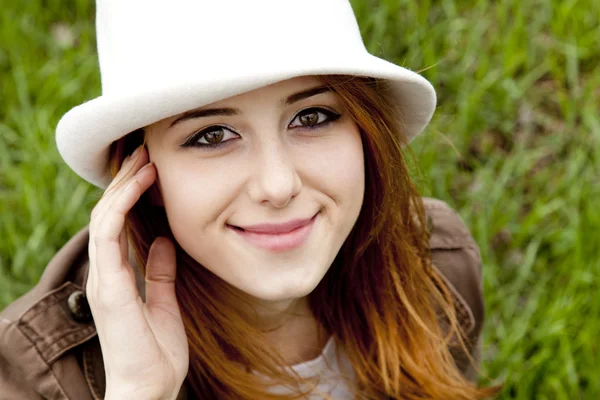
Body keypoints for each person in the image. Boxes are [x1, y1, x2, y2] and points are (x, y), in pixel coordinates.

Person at [0, 0, 500, 399]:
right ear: (141, 171)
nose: (278, 185)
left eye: (312, 118)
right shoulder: (41, 376)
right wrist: (140, 393)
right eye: (212, 135)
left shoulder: (433, 265)